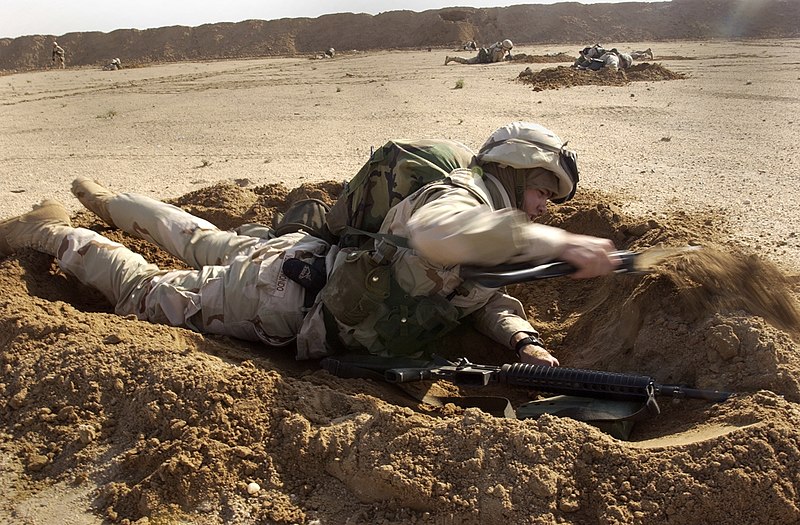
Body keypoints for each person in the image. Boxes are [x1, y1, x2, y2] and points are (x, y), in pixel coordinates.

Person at [0, 122, 620, 368]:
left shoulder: (484, 219)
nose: (544, 205)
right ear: (515, 169)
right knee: (147, 293)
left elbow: (478, 285)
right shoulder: (461, 203)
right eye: (543, 191)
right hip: (278, 300)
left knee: (204, 239)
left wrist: (523, 340)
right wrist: (555, 239)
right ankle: (52, 231)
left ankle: (114, 204)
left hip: (297, 263)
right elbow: (439, 235)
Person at [445, 39, 513, 65]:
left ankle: (451, 58)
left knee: (467, 61)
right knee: (466, 61)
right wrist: (503, 59)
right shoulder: (498, 51)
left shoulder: (498, 45)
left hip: (483, 56)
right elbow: (494, 60)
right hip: (482, 59)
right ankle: (451, 58)